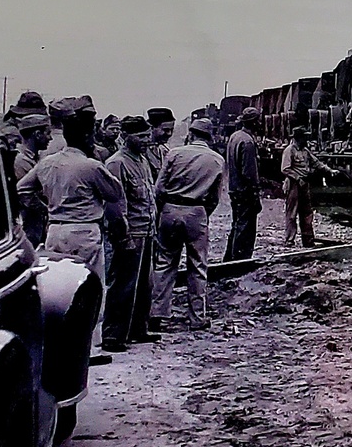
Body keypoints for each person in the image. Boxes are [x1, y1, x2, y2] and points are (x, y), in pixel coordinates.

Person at [17, 95, 123, 364]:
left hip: (55, 230)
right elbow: (114, 193)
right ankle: (88, 350)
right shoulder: (90, 166)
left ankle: (57, 345)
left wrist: (44, 206)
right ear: (87, 136)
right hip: (85, 231)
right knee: (92, 289)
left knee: (58, 291)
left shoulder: (47, 162)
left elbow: (22, 190)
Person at [151, 119, 225, 332]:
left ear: (191, 134)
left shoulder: (174, 154)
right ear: (209, 137)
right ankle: (197, 318)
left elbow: (159, 188)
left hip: (171, 209)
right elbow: (214, 197)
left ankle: (158, 315)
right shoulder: (217, 160)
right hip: (196, 211)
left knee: (164, 262)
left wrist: (163, 210)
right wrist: (202, 213)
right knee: (198, 266)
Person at [102, 116, 157, 352]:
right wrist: (122, 236)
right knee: (123, 285)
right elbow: (115, 204)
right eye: (141, 137)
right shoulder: (117, 163)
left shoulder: (142, 160)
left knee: (144, 285)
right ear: (125, 136)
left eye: (147, 135)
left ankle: (137, 329)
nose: (146, 140)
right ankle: (113, 336)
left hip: (146, 229)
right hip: (130, 232)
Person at [281, 126, 340, 248]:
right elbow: (285, 169)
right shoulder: (289, 150)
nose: (306, 139)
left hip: (304, 184)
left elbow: (316, 163)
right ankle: (289, 240)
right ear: (298, 138)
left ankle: (308, 240)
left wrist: (330, 171)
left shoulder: (305, 151)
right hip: (293, 184)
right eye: (304, 137)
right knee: (292, 213)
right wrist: (298, 178)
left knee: (307, 213)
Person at [224, 107, 262, 262]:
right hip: (245, 191)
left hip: (235, 189)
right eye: (258, 120)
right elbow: (249, 172)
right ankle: (240, 261)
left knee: (237, 225)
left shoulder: (235, 137)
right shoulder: (247, 142)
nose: (260, 123)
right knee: (246, 229)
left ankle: (229, 259)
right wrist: (255, 194)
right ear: (253, 122)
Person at [14, 113, 52, 248]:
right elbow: (25, 196)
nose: (50, 138)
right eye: (47, 133)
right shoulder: (20, 161)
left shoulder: (36, 158)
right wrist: (46, 209)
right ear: (37, 134)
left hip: (36, 226)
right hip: (27, 227)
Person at [146, 107, 176, 180]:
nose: (169, 134)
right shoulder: (143, 151)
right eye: (165, 130)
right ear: (152, 128)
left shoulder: (164, 150)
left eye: (172, 130)